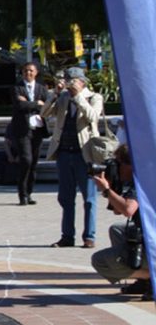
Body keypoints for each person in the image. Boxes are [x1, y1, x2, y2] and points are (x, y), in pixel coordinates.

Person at [42, 66, 104, 248]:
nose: (69, 84)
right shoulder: (62, 97)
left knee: (89, 198)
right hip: (64, 153)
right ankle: (67, 236)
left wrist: (78, 97)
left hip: (84, 154)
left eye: (72, 81)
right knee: (65, 197)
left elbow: (93, 117)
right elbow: (44, 113)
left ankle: (89, 236)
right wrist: (54, 94)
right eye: (67, 80)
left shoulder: (94, 97)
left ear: (81, 81)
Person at [90, 145, 150, 299]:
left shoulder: (142, 181)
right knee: (117, 229)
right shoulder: (142, 176)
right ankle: (144, 280)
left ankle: (150, 277)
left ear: (130, 165)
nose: (114, 167)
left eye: (118, 164)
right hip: (149, 234)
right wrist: (113, 187)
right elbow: (118, 211)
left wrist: (106, 190)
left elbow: (128, 210)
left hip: (152, 239)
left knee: (99, 260)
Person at [11, 61, 50, 205]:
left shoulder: (41, 88)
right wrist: (36, 104)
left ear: (36, 73)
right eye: (26, 71)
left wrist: (31, 103)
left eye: (31, 71)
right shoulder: (17, 88)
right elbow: (19, 105)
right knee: (25, 160)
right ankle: (22, 194)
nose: (28, 73)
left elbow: (47, 106)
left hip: (38, 129)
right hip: (23, 130)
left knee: (33, 162)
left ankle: (29, 192)